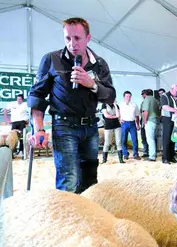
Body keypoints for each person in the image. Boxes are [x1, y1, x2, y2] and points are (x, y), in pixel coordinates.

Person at [27, 17, 116, 193]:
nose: (72, 43)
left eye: (77, 38)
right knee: (69, 178)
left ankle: (87, 218)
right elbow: (37, 95)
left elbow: (110, 96)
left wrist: (92, 84)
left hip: (91, 127)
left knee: (90, 179)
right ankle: (66, 219)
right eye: (67, 38)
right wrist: (38, 129)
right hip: (64, 125)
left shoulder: (99, 64)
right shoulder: (51, 59)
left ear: (88, 38)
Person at [160, 84, 177, 164]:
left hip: (176, 120)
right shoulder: (165, 96)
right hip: (167, 119)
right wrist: (176, 110)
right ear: (172, 89)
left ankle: (171, 157)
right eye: (176, 91)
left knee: (174, 138)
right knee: (166, 139)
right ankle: (165, 158)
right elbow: (164, 107)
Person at [119, 91, 141, 160]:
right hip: (124, 123)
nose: (128, 98)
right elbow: (117, 114)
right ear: (124, 97)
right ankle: (125, 154)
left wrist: (138, 124)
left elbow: (137, 116)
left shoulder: (134, 105)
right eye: (126, 96)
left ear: (131, 97)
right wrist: (119, 120)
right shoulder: (120, 105)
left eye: (129, 96)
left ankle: (135, 154)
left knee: (134, 140)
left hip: (132, 123)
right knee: (123, 140)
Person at [142, 89, 160, 161]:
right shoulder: (155, 100)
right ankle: (153, 154)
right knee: (153, 138)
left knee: (150, 139)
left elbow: (146, 111)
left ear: (145, 94)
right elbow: (159, 111)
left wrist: (145, 120)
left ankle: (152, 156)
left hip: (150, 120)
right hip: (156, 121)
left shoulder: (147, 99)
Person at [139, 89, 149, 158]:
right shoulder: (142, 103)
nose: (143, 95)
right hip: (143, 122)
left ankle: (151, 151)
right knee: (143, 137)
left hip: (149, 122)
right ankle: (145, 151)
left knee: (150, 138)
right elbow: (140, 112)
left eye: (144, 94)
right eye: (142, 94)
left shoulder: (151, 102)